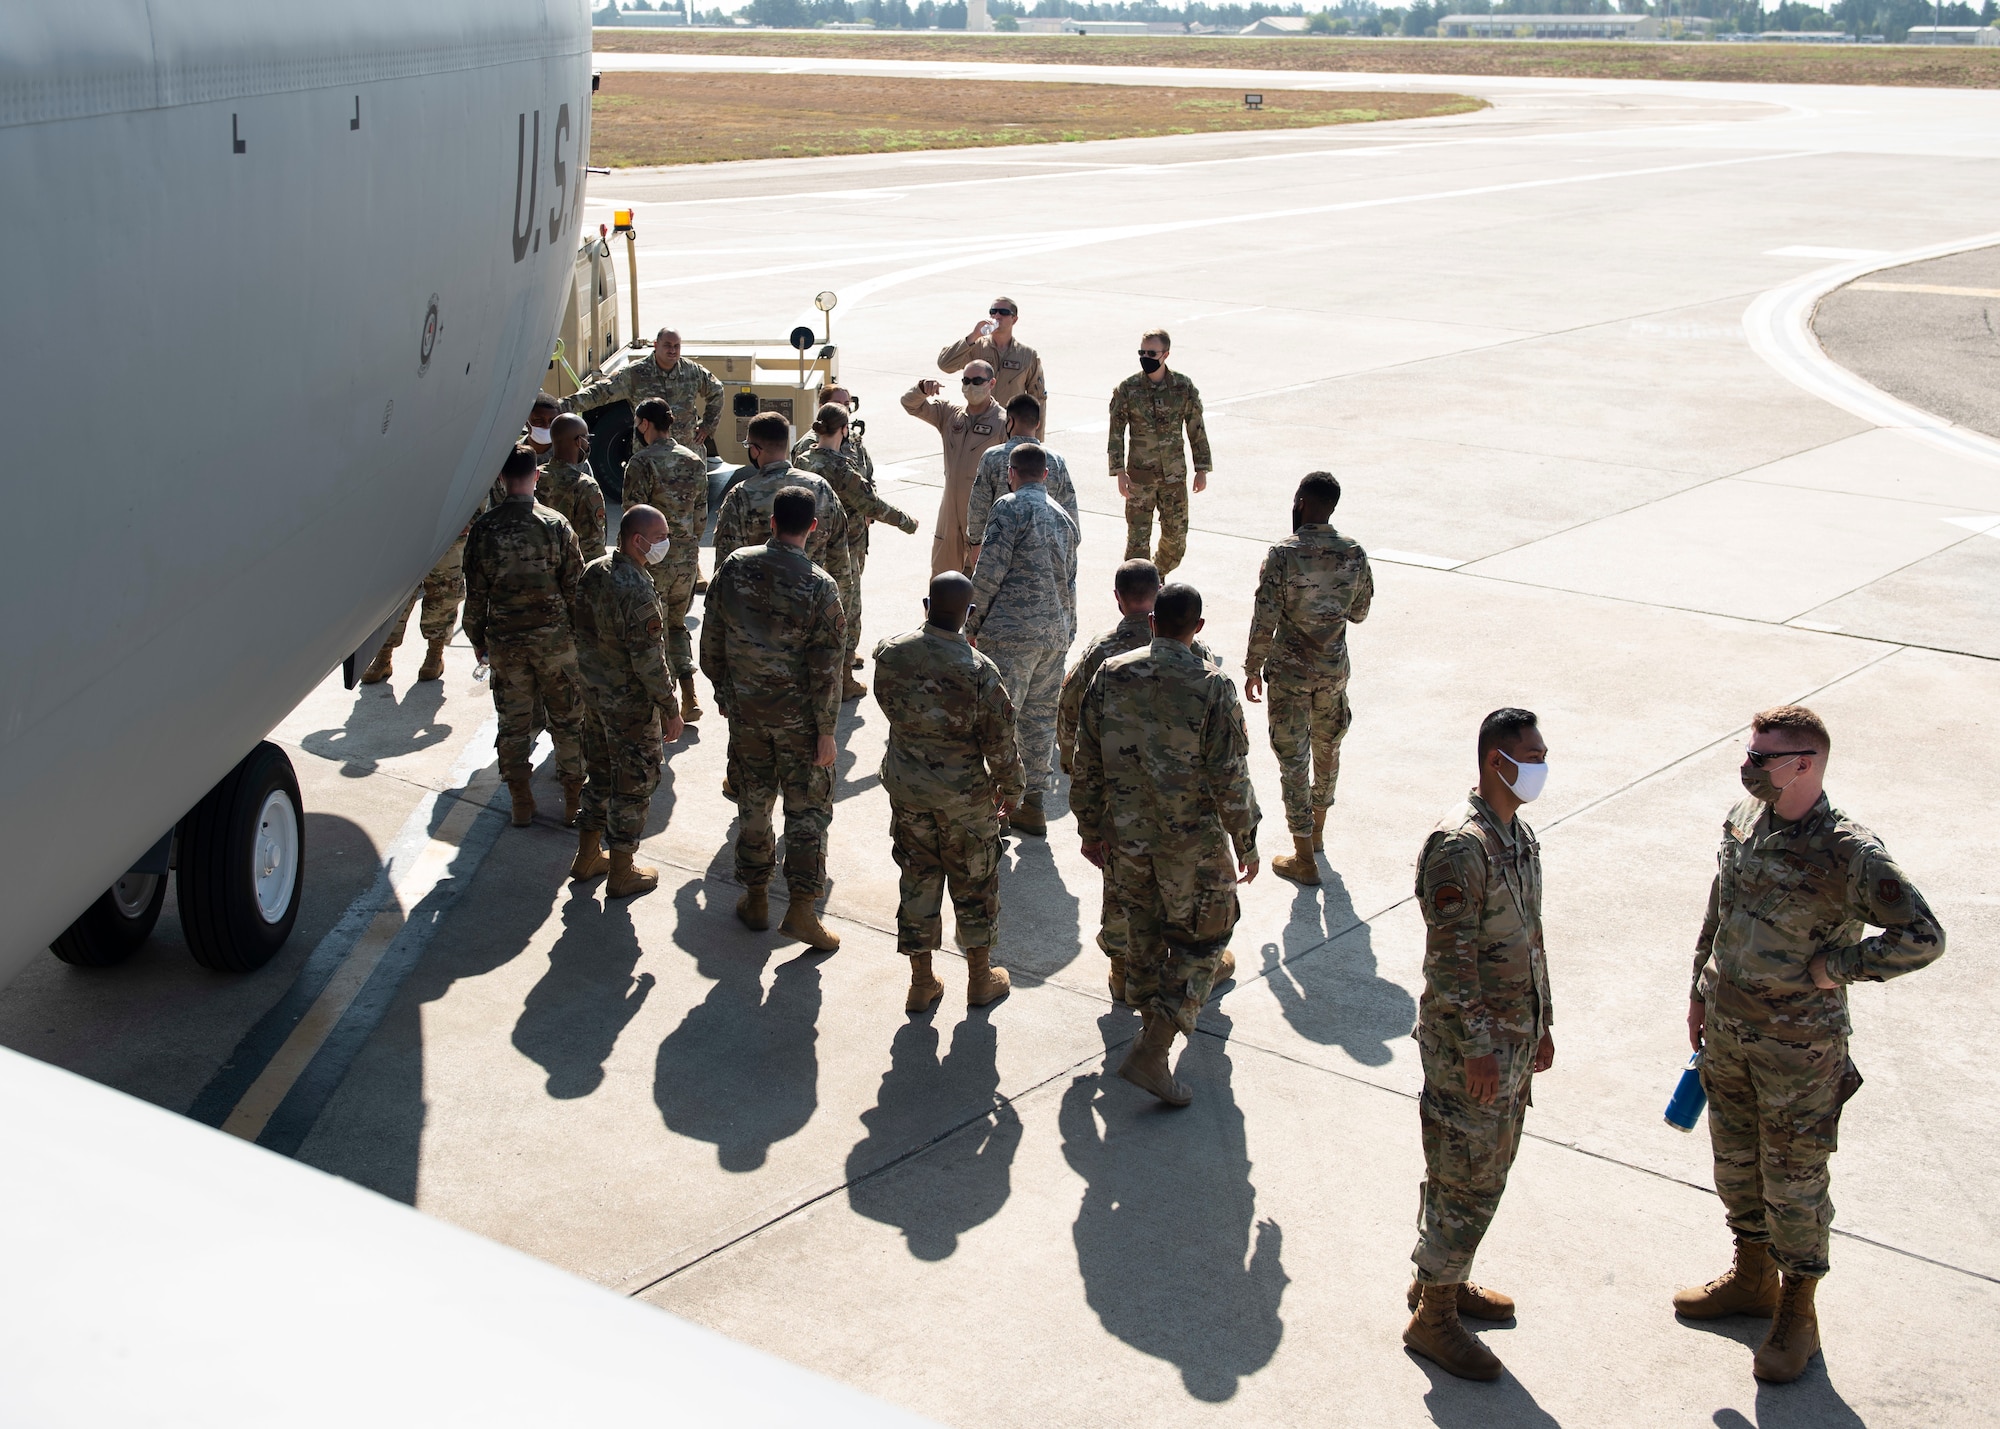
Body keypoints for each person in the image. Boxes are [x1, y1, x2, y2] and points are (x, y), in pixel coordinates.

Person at [1675, 704, 1944, 1384]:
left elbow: (1923, 935)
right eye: (1750, 750)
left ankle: (1797, 1309)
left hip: (1799, 1052)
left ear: (1805, 764)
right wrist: (1699, 987)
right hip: (1730, 1032)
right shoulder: (1743, 819)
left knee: (1794, 1183)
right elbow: (1721, 904)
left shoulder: (1848, 851)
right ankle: (1751, 1277)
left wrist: (1843, 966)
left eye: (1763, 756)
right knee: (1737, 1165)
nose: (1748, 764)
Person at [1405, 708, 1556, 1382]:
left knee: (1473, 1169)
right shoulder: (1461, 846)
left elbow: (1529, 938)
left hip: (1511, 1037)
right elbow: (1451, 958)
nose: (1542, 764)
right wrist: (1478, 1047)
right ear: (1497, 760)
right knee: (1468, 1174)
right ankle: (1433, 1316)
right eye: (1532, 753)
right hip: (1473, 1045)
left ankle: (1446, 1277)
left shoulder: (1517, 838)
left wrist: (1542, 1021)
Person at [1072, 583, 1258, 1107]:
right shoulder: (1212, 685)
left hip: (1127, 838)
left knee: (1146, 936)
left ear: (1153, 622)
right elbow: (1230, 775)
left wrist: (1089, 827)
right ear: (1196, 629)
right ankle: (1153, 1050)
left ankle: (1150, 1035)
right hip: (1191, 846)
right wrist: (1246, 840)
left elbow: (1086, 758)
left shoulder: (1110, 675)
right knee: (1207, 936)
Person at [1056, 559, 1214, 999]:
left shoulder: (1101, 653)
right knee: (1181, 889)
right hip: (1180, 805)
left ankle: (1123, 974)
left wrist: (1083, 789)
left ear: (1118, 597)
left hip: (1118, 802)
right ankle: (1184, 967)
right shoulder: (1192, 651)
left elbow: (1070, 721)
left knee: (1121, 890)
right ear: (1159, 595)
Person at [701, 485, 847, 952]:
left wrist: (724, 690)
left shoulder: (735, 565)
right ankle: (802, 910)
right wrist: (826, 733)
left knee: (754, 802)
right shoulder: (821, 586)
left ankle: (757, 897)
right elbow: (828, 670)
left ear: (771, 522)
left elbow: (712, 637)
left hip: (746, 713)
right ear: (813, 527)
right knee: (807, 813)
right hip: (799, 723)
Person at [872, 572, 1026, 1013]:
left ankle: (921, 982)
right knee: (975, 883)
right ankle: (980, 979)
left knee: (917, 877)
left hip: (908, 789)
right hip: (965, 801)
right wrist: (1012, 791)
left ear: (927, 604)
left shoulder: (891, 652)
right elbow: (1000, 745)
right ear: (970, 614)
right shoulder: (980, 672)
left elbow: (888, 705)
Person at [1244, 471, 1374, 887]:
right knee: (1328, 749)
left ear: (1299, 500)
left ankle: (1303, 855)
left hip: (1289, 674)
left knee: (1292, 759)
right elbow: (1360, 611)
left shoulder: (1283, 554)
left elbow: (1265, 616)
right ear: (1332, 507)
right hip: (1333, 672)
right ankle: (1317, 832)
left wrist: (1251, 668)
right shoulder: (1353, 552)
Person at [462, 445, 588, 829]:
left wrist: (479, 641)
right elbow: (576, 591)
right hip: (556, 646)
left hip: (506, 644)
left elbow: (475, 596)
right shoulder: (556, 525)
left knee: (514, 724)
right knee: (568, 721)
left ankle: (521, 800)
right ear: (536, 476)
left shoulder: (484, 529)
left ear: (501, 478)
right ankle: (571, 801)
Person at [568, 505, 686, 898]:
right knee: (634, 783)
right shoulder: (636, 588)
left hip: (595, 697)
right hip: (630, 707)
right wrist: (671, 708)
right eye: (659, 537)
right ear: (638, 540)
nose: (665, 544)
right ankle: (621, 869)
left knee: (599, 773)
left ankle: (587, 855)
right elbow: (650, 661)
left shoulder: (594, 570)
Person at [966, 443, 1078, 838]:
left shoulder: (1007, 507)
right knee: (1039, 721)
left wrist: (970, 624)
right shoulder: (1065, 517)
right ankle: (1032, 805)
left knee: (999, 721)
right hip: (1053, 635)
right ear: (1046, 475)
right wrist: (1067, 631)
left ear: (1011, 473)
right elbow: (1069, 581)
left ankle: (994, 806)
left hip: (1010, 635)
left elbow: (989, 572)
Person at [795, 401, 919, 700]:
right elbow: (871, 504)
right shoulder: (839, 467)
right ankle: (844, 678)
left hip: (808, 548)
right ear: (844, 430)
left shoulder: (803, 460)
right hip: (841, 551)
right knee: (846, 613)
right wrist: (907, 523)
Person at [618, 397, 709, 722]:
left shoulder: (641, 463)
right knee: (675, 625)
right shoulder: (693, 461)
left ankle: (663, 705)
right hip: (684, 558)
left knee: (649, 630)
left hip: (650, 559)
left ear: (645, 424)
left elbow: (632, 517)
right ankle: (689, 696)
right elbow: (701, 516)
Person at [712, 413, 852, 605]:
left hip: (757, 611)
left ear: (754, 450)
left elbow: (725, 567)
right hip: (811, 605)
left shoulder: (741, 495)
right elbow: (840, 562)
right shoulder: (821, 488)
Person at [1107, 328, 1211, 578]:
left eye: (1151, 352)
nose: (1145, 357)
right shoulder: (1128, 389)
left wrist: (1202, 468)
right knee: (1137, 541)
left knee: (1176, 540)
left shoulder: (1183, 387)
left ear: (1166, 354)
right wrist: (1119, 472)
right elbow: (1116, 433)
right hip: (1139, 479)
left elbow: (1196, 428)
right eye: (1142, 352)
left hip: (1173, 478)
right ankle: (1137, 588)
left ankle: (1156, 575)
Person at [902, 365, 1005, 577]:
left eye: (977, 381)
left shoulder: (1003, 423)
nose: (970, 386)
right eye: (966, 381)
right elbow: (910, 404)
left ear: (991, 384)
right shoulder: (950, 415)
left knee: (983, 581)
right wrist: (922, 389)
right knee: (941, 577)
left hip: (983, 513)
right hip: (949, 513)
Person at [563, 327, 724, 451]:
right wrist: (565, 405)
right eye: (667, 345)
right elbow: (602, 392)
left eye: (677, 346)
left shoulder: (692, 371)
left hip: (685, 456)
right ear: (655, 345)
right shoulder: (636, 373)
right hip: (649, 457)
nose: (672, 350)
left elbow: (717, 390)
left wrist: (707, 426)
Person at [968, 394, 1078, 564]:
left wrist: (976, 543)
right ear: (1037, 424)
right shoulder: (1056, 461)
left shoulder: (993, 456)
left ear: (1009, 422)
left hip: (1000, 549)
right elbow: (1069, 513)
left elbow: (979, 505)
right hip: (1044, 553)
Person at [359, 536, 465, 685]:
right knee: (394, 594)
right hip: (406, 533)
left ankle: (435, 656)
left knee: (443, 591)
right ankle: (383, 657)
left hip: (445, 531)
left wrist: (467, 521)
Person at [937, 296, 1048, 438]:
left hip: (1011, 430)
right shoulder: (976, 347)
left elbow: (1038, 397)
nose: (997, 316)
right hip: (978, 428)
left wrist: (1036, 438)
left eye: (1003, 312)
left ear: (1014, 319)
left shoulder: (1027, 355)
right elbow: (945, 364)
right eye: (993, 311)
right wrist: (973, 335)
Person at [537, 413, 607, 564]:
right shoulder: (585, 486)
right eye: (587, 439)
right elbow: (593, 547)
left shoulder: (533, 477)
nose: (588, 444)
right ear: (578, 442)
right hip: (569, 574)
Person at [525, 394, 560, 466]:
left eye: (552, 420)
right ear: (526, 421)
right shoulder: (510, 455)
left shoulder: (570, 456)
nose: (546, 426)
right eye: (539, 420)